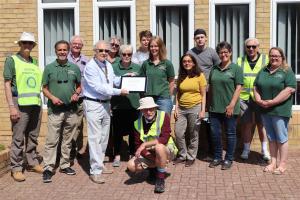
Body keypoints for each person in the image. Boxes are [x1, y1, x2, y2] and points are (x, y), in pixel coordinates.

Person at [83, 40, 128, 184]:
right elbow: (99, 88)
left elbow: (113, 80)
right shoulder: (90, 67)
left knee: (104, 137)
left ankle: (100, 165)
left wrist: (126, 78)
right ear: (95, 51)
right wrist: (119, 91)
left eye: (106, 51)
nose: (104, 53)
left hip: (106, 105)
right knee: (95, 138)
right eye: (101, 50)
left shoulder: (108, 64)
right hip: (94, 104)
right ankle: (95, 171)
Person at [3, 32, 43, 182]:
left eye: (30, 43)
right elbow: (7, 84)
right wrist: (11, 107)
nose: (27, 45)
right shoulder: (11, 60)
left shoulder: (34, 62)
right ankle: (16, 168)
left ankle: (32, 162)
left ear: (33, 46)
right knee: (18, 137)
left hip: (35, 104)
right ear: (19, 44)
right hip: (19, 104)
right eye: (24, 43)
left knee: (33, 136)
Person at [42, 40, 81, 183]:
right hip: (55, 110)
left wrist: (76, 94)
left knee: (67, 140)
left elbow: (79, 85)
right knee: (52, 140)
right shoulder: (49, 68)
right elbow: (44, 88)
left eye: (65, 50)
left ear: (68, 51)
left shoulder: (74, 68)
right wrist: (52, 98)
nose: (62, 52)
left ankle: (64, 165)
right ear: (56, 51)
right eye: (60, 50)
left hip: (71, 110)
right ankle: (48, 168)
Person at [254, 47, 296, 175]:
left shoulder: (286, 71)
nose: (274, 58)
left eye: (277, 56)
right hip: (265, 110)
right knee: (271, 137)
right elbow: (255, 86)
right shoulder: (264, 70)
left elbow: (289, 89)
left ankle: (282, 164)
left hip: (279, 110)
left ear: (282, 57)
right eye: (272, 55)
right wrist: (259, 100)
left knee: (281, 137)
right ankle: (273, 163)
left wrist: (273, 102)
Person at [127, 97, 178, 193]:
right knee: (131, 166)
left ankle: (160, 179)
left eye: (151, 109)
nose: (149, 112)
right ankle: (155, 168)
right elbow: (137, 144)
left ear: (155, 108)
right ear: (141, 110)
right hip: (150, 152)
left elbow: (164, 138)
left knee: (159, 147)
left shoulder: (164, 116)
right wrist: (149, 156)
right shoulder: (137, 123)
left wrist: (145, 144)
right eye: (145, 109)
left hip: (166, 149)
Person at [208, 41, 243, 170]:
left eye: (225, 52)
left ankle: (228, 159)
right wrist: (208, 106)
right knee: (215, 134)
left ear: (230, 53)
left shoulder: (236, 69)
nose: (223, 54)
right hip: (214, 108)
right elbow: (210, 87)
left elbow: (239, 88)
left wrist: (232, 105)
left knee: (230, 134)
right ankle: (217, 157)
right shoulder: (214, 69)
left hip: (230, 108)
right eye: (221, 52)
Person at [187, 28, 221, 157]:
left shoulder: (212, 52)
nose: (200, 39)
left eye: (202, 37)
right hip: (194, 93)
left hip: (209, 93)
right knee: (195, 121)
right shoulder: (190, 53)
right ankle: (196, 149)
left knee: (209, 120)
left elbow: (218, 68)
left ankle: (212, 150)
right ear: (194, 40)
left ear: (206, 38)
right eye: (197, 38)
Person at [237, 38, 270, 161]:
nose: (251, 49)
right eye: (248, 46)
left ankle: (265, 150)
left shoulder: (265, 60)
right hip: (244, 98)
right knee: (246, 125)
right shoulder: (240, 60)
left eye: (254, 47)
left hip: (260, 98)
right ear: (245, 48)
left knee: (262, 125)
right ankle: (246, 150)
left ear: (258, 47)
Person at [173, 54, 207, 167]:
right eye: (184, 61)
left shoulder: (200, 76)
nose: (187, 63)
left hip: (195, 107)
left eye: (189, 61)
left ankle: (191, 156)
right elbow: (178, 93)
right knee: (178, 132)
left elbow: (203, 95)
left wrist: (202, 110)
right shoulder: (181, 76)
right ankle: (182, 155)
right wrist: (176, 108)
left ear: (193, 63)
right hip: (182, 109)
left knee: (194, 134)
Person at [111, 45, 140, 167]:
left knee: (134, 131)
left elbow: (142, 84)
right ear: (120, 55)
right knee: (117, 131)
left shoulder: (138, 68)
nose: (127, 56)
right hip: (118, 105)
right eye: (124, 54)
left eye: (129, 54)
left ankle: (133, 154)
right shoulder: (113, 67)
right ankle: (117, 155)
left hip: (134, 104)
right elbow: (110, 83)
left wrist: (136, 77)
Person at [139, 36, 175, 115]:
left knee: (163, 123)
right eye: (151, 46)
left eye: (156, 46)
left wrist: (168, 96)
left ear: (160, 47)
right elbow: (141, 81)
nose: (153, 48)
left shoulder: (167, 63)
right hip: (148, 99)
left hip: (163, 99)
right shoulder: (146, 64)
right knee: (148, 124)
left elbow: (172, 82)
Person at [68, 35, 89, 158]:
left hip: (82, 97)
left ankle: (78, 149)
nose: (76, 45)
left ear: (82, 46)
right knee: (69, 125)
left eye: (79, 44)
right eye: (74, 43)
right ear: (71, 45)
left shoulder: (86, 60)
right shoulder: (65, 59)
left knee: (80, 125)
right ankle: (69, 150)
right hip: (69, 98)